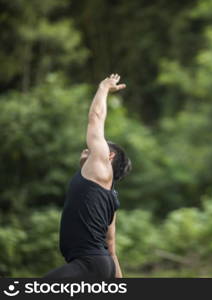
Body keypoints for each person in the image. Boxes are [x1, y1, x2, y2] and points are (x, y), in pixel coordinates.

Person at [44, 74, 132, 279]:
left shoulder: (101, 167)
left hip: (89, 265)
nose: (90, 147)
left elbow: (96, 118)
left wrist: (103, 87)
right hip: (100, 266)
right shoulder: (110, 198)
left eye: (101, 144)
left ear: (108, 156)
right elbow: (111, 247)